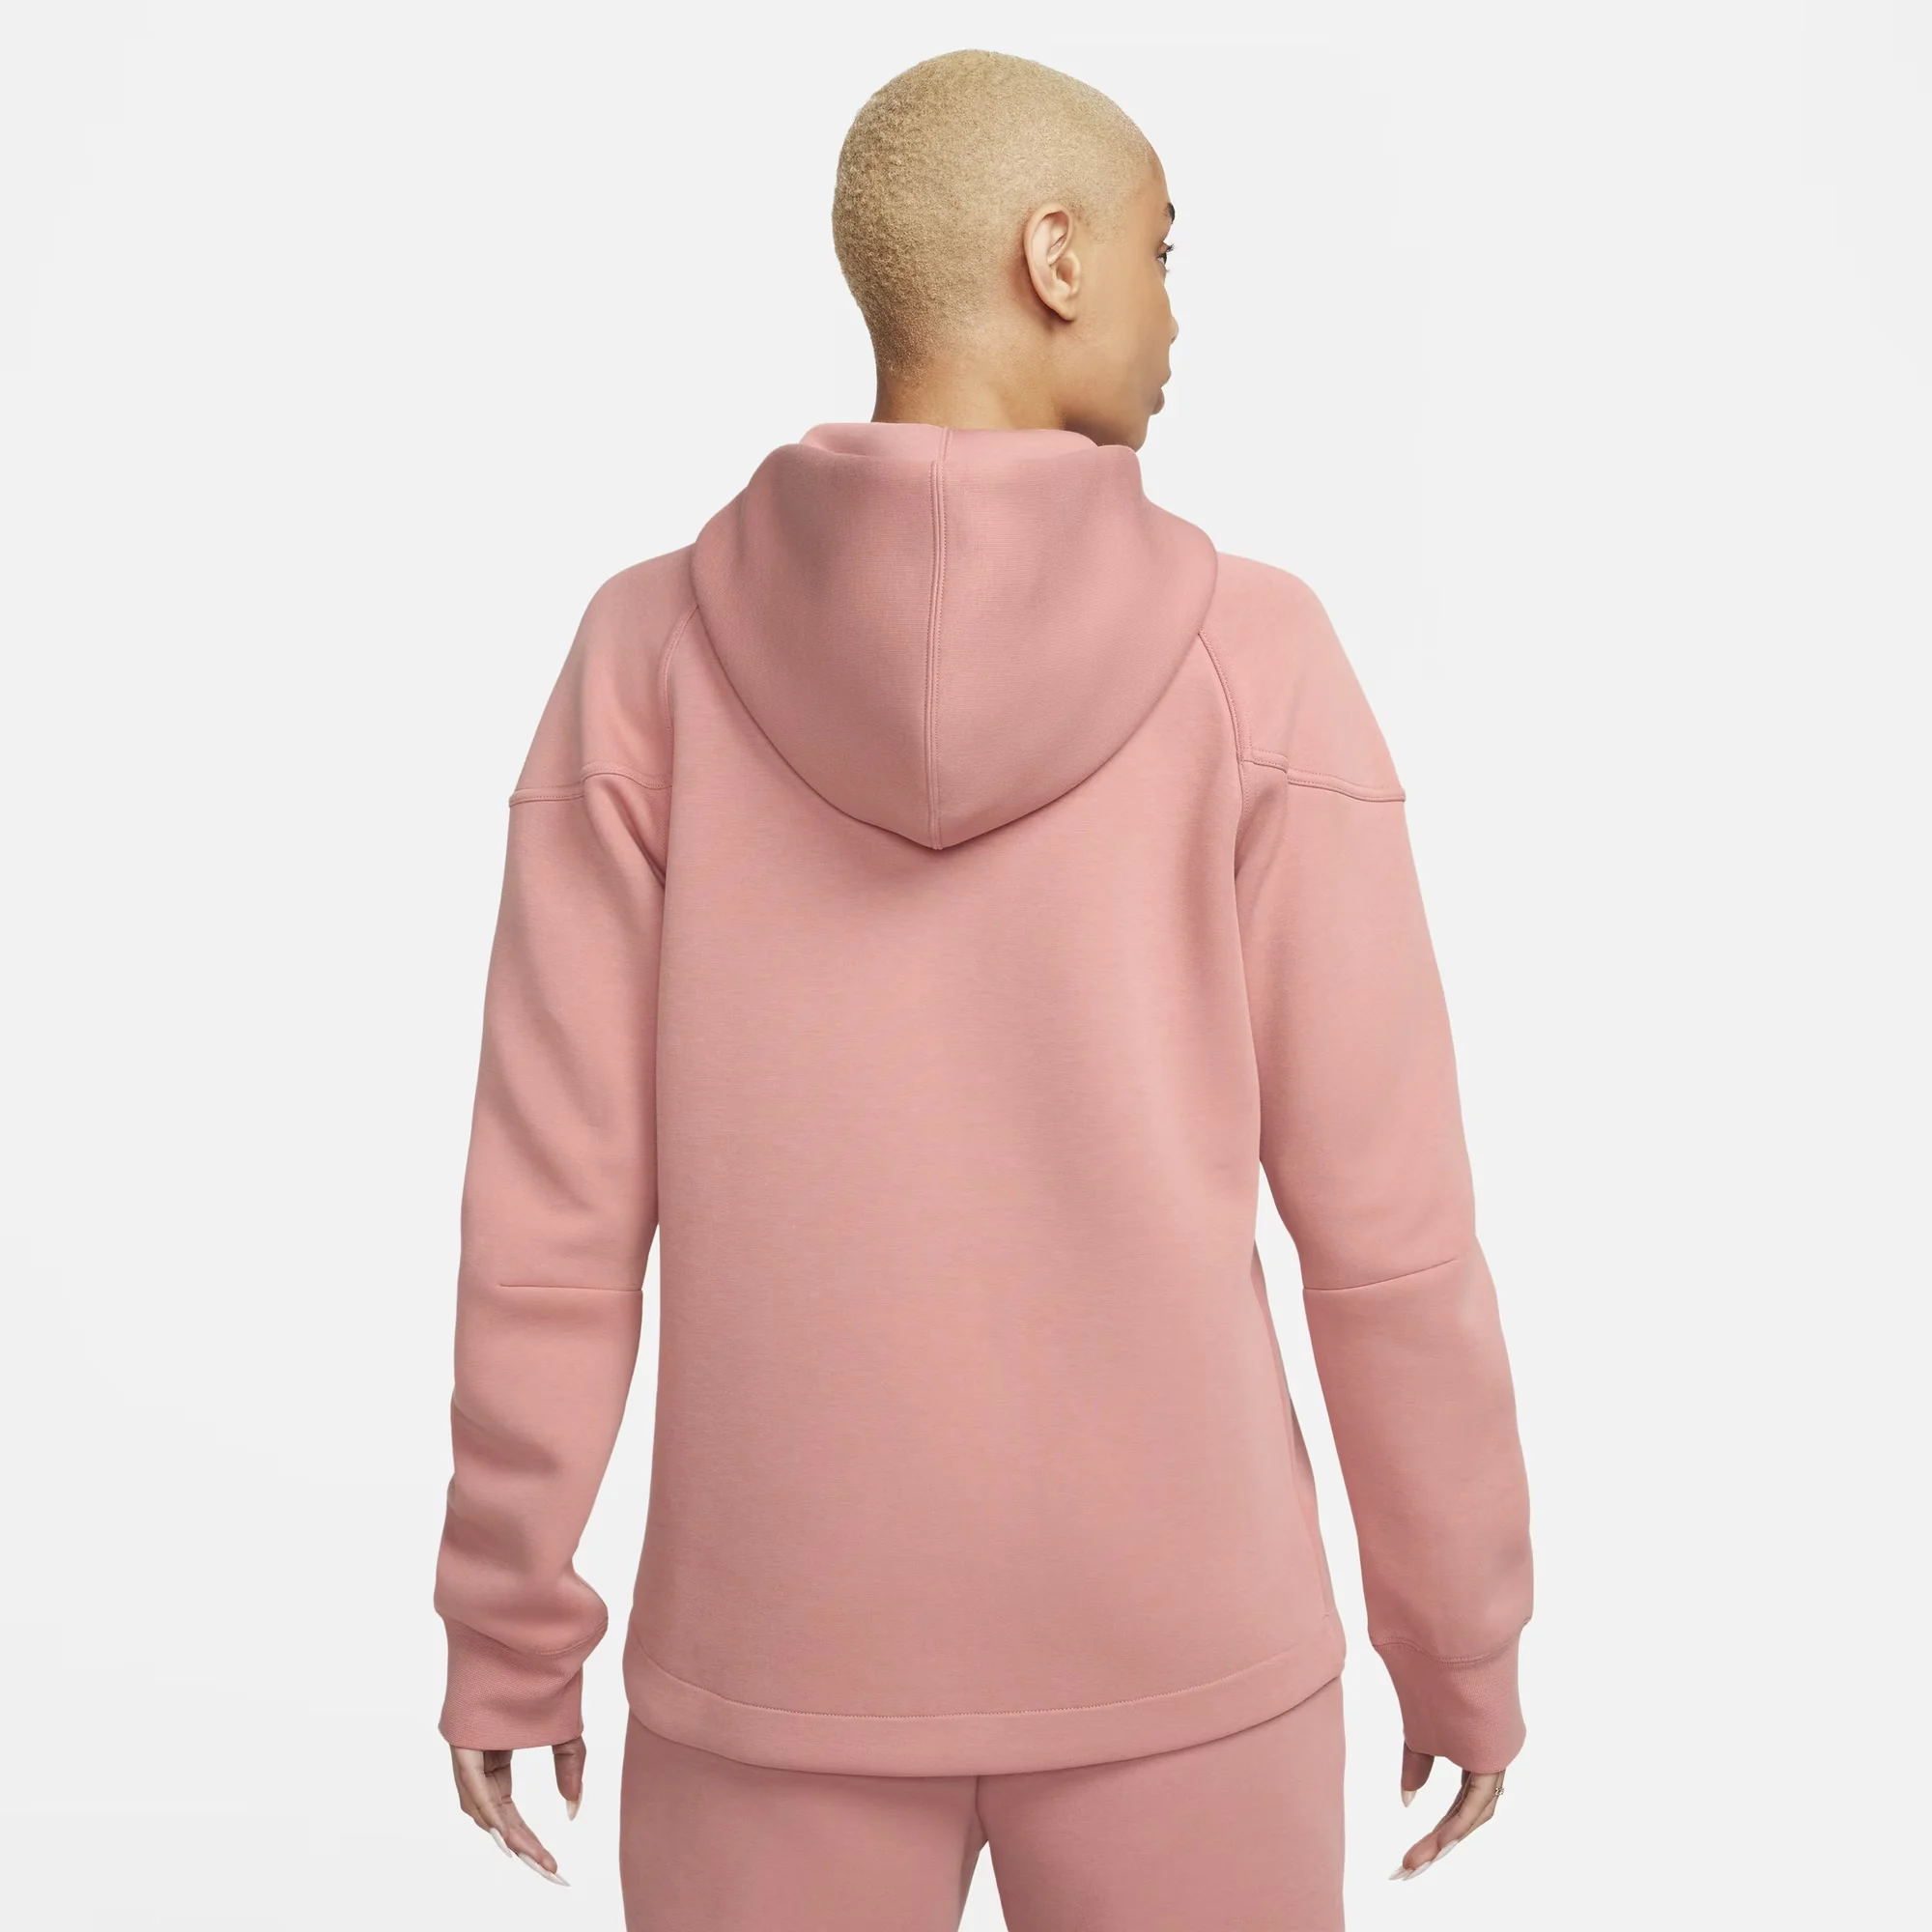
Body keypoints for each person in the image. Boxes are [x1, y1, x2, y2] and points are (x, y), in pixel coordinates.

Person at [433, 47, 1532, 1930]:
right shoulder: (1255, 660)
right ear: (1055, 258)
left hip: (773, 1662)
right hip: (1191, 1655)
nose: (1176, 317)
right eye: (1160, 253)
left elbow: (550, 1223)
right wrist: (1458, 1633)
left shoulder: (645, 658)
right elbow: (1391, 1234)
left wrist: (506, 1626)